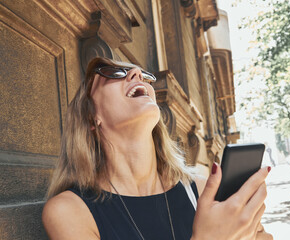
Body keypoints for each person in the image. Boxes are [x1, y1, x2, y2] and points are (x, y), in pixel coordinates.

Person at [42, 57, 272, 240]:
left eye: (143, 75)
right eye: (114, 74)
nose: (137, 74)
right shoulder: (69, 211)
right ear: (91, 119)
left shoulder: (200, 191)